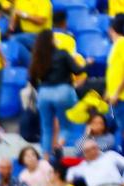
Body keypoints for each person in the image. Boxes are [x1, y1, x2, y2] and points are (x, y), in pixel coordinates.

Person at [28, 29, 84, 158]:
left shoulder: (37, 56)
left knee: (46, 129)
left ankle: (46, 159)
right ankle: (59, 145)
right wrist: (89, 64)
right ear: (51, 40)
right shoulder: (62, 53)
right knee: (66, 126)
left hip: (44, 93)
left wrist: (40, 89)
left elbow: (31, 78)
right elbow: (77, 71)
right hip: (63, 91)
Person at [106, 16, 124, 148]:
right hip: (115, 98)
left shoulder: (122, 43)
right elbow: (113, 72)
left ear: (111, 29)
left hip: (121, 97)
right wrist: (108, 91)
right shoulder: (116, 45)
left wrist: (117, 92)